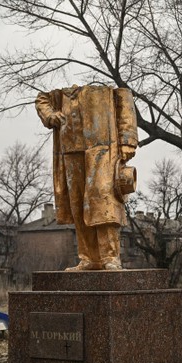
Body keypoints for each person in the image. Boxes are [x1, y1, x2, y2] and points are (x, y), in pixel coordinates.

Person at [36, 85, 138, 271]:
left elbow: (125, 100)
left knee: (104, 202)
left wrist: (127, 140)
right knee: (77, 205)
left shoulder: (106, 92)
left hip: (103, 148)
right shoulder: (61, 95)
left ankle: (110, 257)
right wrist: (50, 115)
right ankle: (89, 258)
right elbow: (42, 99)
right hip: (70, 149)